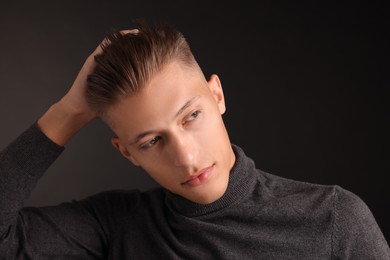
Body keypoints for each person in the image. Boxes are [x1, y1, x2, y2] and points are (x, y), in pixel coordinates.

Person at [0, 20, 389, 259]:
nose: (186, 157)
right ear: (127, 152)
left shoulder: (334, 220)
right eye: (152, 141)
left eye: (191, 117)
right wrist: (69, 112)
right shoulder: (117, 227)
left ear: (217, 95)